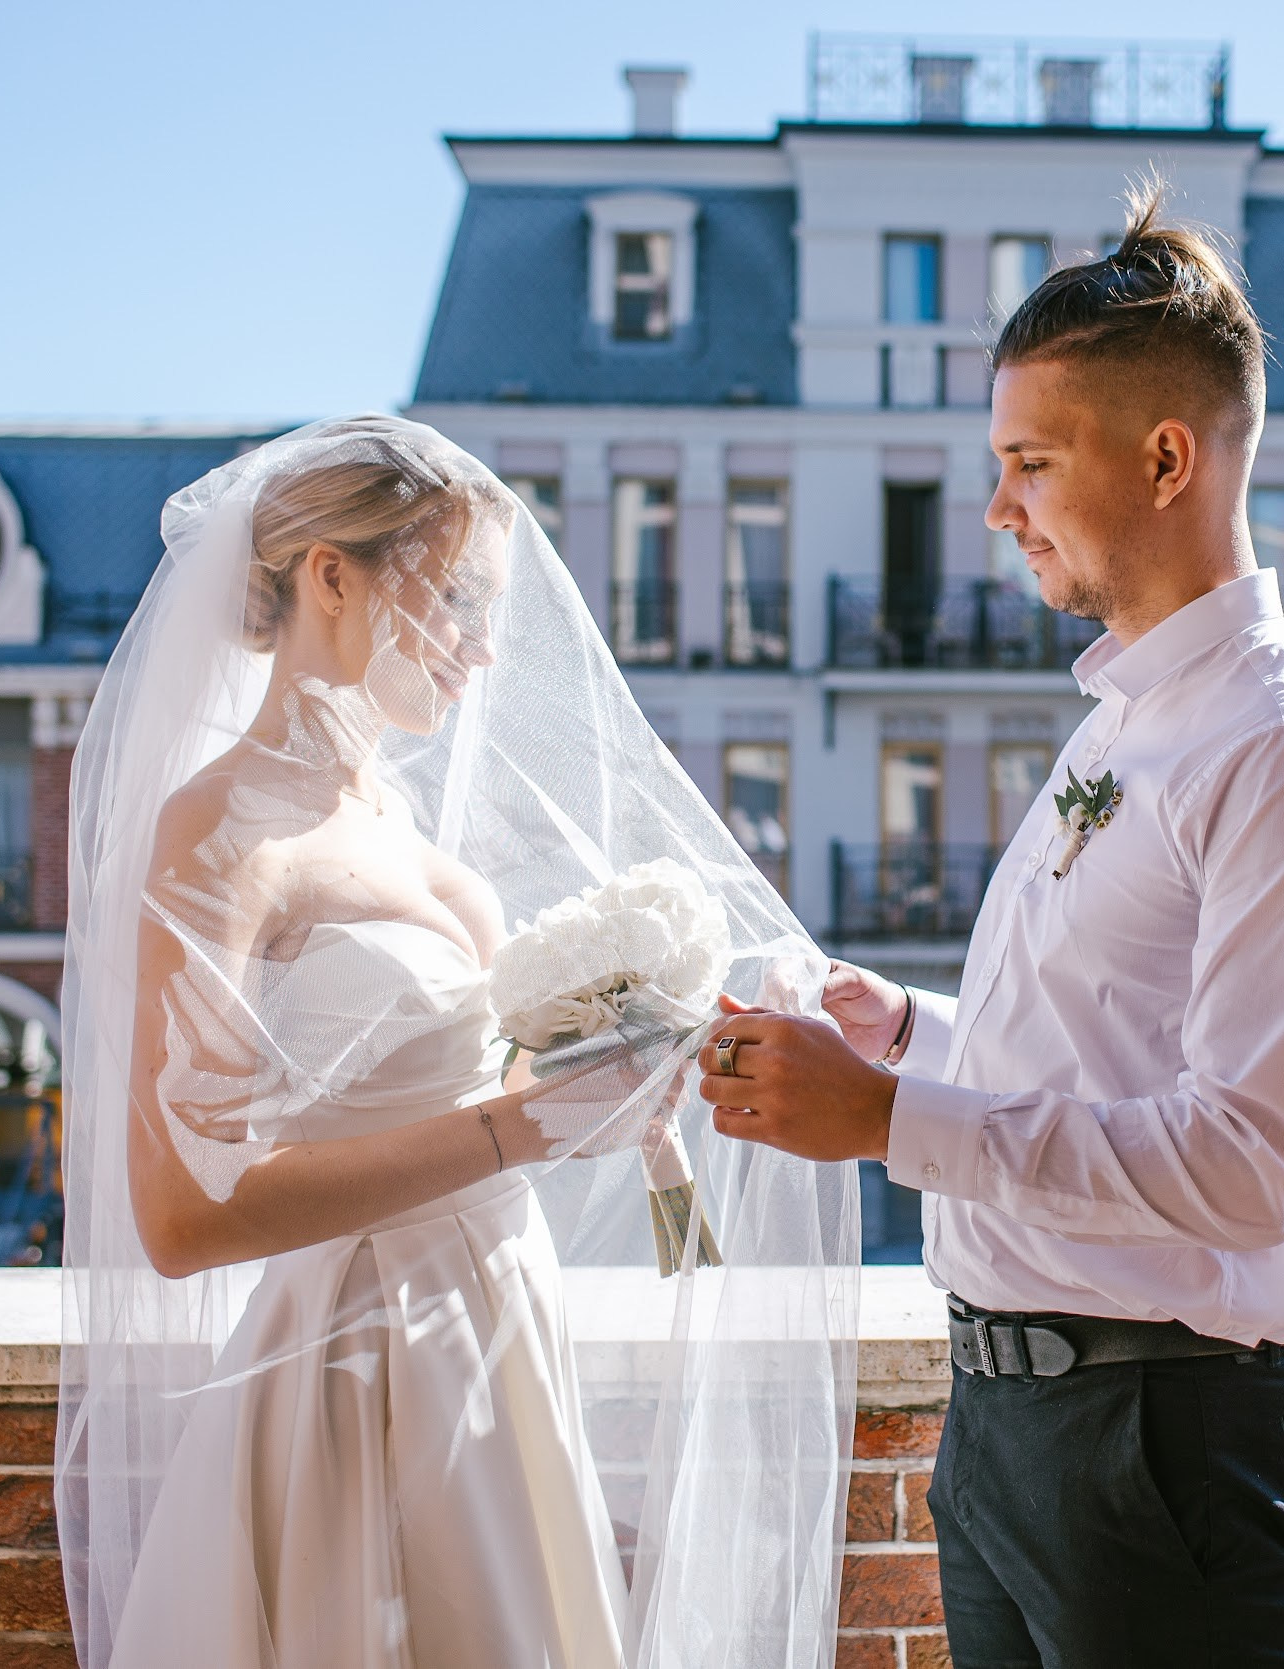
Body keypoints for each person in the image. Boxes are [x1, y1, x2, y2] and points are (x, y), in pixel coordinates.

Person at [699, 183, 1284, 1666]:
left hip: (1159, 1438)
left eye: (1030, 462)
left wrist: (889, 1120)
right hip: (1022, 1420)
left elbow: (1249, 1167)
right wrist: (909, 1038)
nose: (997, 509)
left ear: (1167, 457)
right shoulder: (1122, 726)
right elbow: (1101, 1060)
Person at [58, 418, 854, 1669]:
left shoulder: (426, 857)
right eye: (454, 600)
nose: (484, 648)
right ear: (332, 575)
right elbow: (180, 1217)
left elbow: (470, 1117)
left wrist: (611, 1073)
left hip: (502, 1333)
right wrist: (519, 1124)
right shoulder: (218, 838)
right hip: (352, 1373)